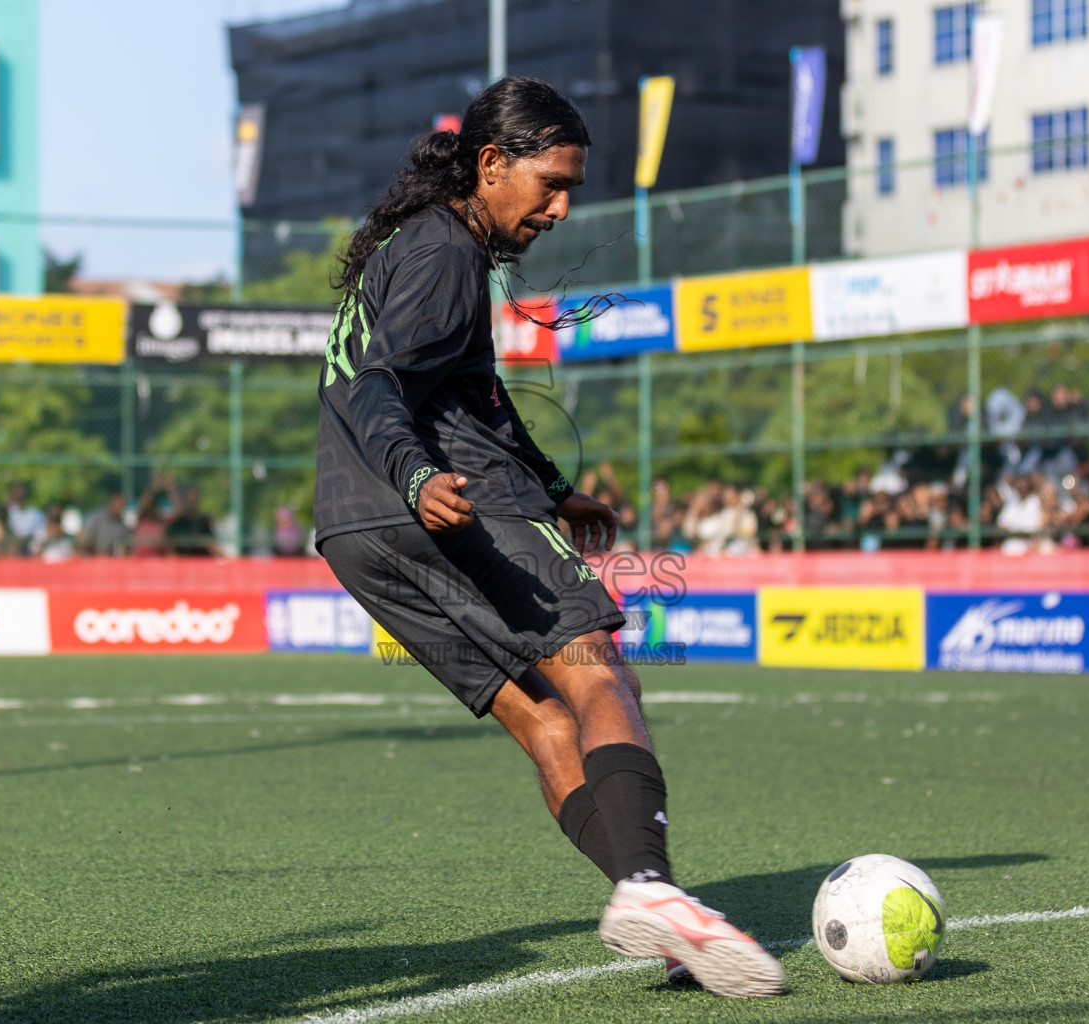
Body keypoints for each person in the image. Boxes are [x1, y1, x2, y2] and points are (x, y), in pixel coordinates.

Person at [310, 77, 781, 999]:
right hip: (445, 499)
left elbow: (472, 394)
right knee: (599, 667)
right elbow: (373, 386)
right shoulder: (447, 251)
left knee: (539, 716)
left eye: (572, 190)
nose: (561, 209)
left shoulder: (423, 249)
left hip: (354, 527)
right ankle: (648, 887)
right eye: (551, 184)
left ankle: (665, 918)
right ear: (491, 164)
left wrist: (556, 490)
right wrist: (415, 472)